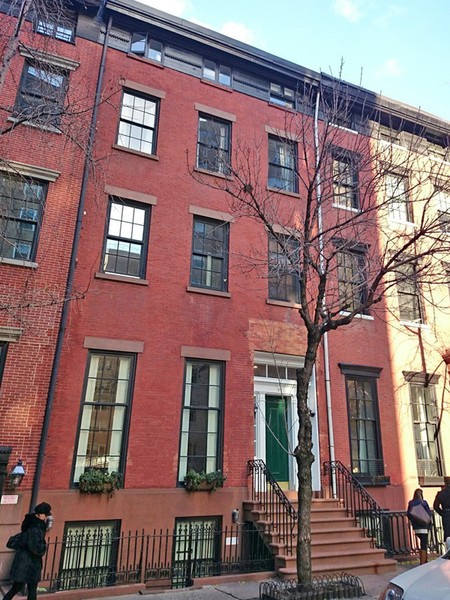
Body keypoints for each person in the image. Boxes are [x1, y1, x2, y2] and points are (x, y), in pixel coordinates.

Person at [3, 502, 52, 600]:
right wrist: (44, 547)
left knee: (17, 588)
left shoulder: (30, 523)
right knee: (31, 590)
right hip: (30, 564)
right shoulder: (36, 528)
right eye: (45, 515)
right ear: (41, 514)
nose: (46, 517)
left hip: (23, 562)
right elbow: (37, 548)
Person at [407, 488, 432, 564]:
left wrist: (414, 520)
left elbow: (408, 514)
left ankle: (423, 559)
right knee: (424, 543)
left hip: (416, 526)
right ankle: (423, 561)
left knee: (421, 541)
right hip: (424, 526)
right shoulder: (424, 503)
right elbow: (429, 514)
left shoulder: (411, 503)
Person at [433, 476, 450, 546]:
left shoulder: (441, 493)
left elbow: (436, 506)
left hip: (446, 514)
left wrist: (442, 513)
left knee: (448, 534)